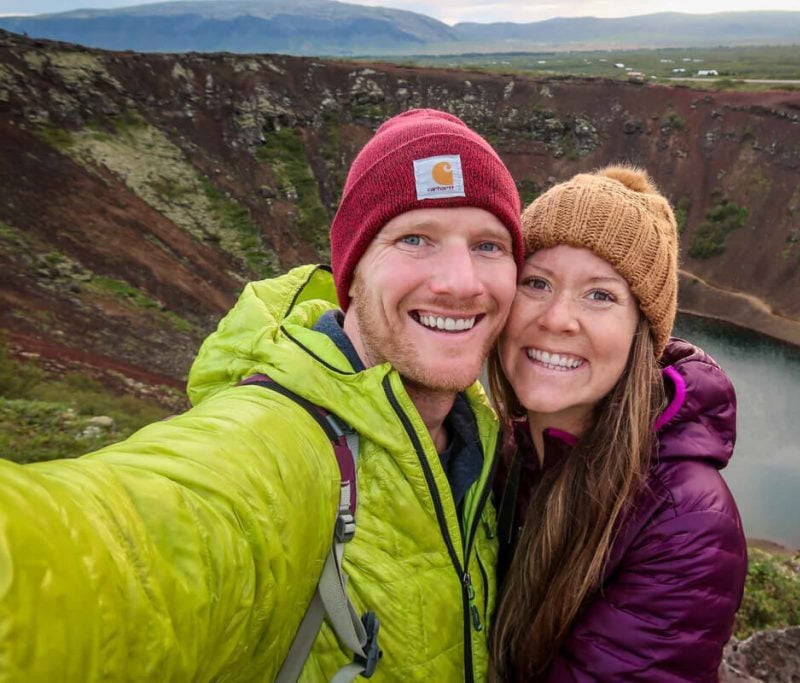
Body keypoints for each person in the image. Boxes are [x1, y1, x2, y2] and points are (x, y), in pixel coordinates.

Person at [0, 109, 522, 682]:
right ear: (352, 273)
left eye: (488, 245)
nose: (461, 281)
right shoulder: (283, 440)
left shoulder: (487, 437)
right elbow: (124, 545)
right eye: (414, 239)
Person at [488, 166, 747, 682]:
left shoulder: (684, 520)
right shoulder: (499, 451)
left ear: (640, 336)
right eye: (536, 283)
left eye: (600, 295)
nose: (558, 318)